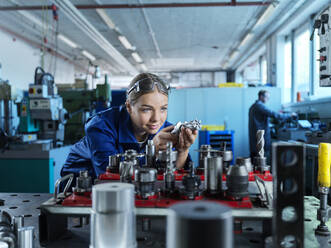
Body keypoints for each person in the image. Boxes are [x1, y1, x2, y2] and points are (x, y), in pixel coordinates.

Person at [61, 73, 197, 181]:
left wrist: (183, 150)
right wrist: (152, 151)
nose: (156, 118)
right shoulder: (100, 126)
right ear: (129, 107)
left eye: (163, 109)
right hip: (79, 188)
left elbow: (172, 172)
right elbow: (106, 174)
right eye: (146, 109)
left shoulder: (163, 129)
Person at [249, 90, 296, 158]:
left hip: (255, 137)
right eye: (267, 97)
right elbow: (274, 114)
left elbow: (260, 120)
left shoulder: (252, 107)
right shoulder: (260, 106)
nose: (268, 99)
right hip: (261, 137)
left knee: (255, 158)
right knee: (262, 160)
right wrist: (290, 115)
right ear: (261, 96)